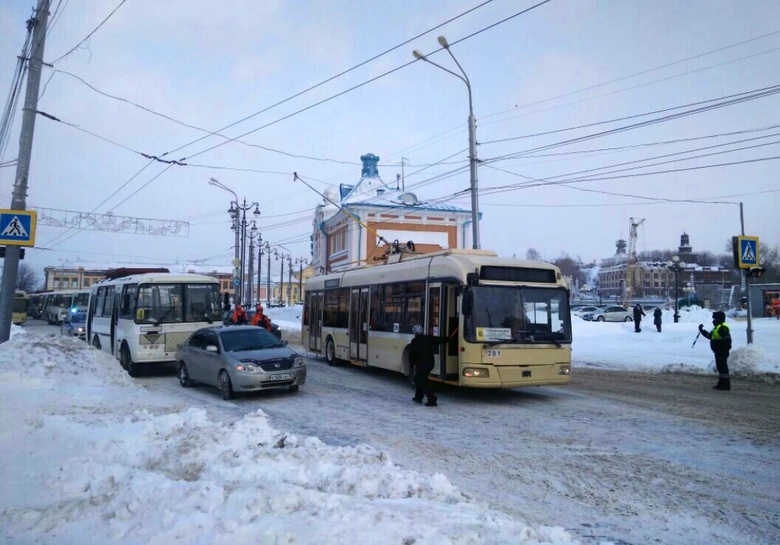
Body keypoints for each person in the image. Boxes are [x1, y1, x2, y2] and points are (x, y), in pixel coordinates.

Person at [409, 324, 449, 407]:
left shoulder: (414, 341)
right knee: (417, 379)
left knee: (423, 381)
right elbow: (439, 340)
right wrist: (448, 338)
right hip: (430, 364)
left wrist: (411, 365)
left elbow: (412, 355)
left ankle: (432, 399)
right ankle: (418, 396)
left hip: (421, 365)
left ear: (414, 332)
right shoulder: (428, 338)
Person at [699, 311, 732, 391]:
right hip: (718, 351)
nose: (713, 320)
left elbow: (727, 339)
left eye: (715, 318)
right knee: (720, 367)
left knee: (722, 367)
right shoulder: (717, 327)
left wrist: (721, 346)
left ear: (719, 319)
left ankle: (725, 385)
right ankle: (721, 383)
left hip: (722, 351)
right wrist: (702, 330)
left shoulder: (722, 328)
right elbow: (710, 336)